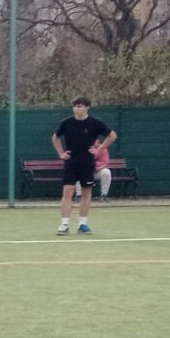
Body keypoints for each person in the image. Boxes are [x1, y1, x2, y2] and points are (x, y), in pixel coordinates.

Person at [53, 97, 115, 235]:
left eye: (80, 106)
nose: (77, 109)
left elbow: (112, 135)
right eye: (75, 106)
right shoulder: (66, 123)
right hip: (71, 161)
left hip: (87, 162)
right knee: (68, 191)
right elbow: (55, 137)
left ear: (87, 107)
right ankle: (64, 224)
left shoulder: (95, 123)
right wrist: (61, 153)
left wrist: (99, 150)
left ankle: (83, 225)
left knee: (86, 193)